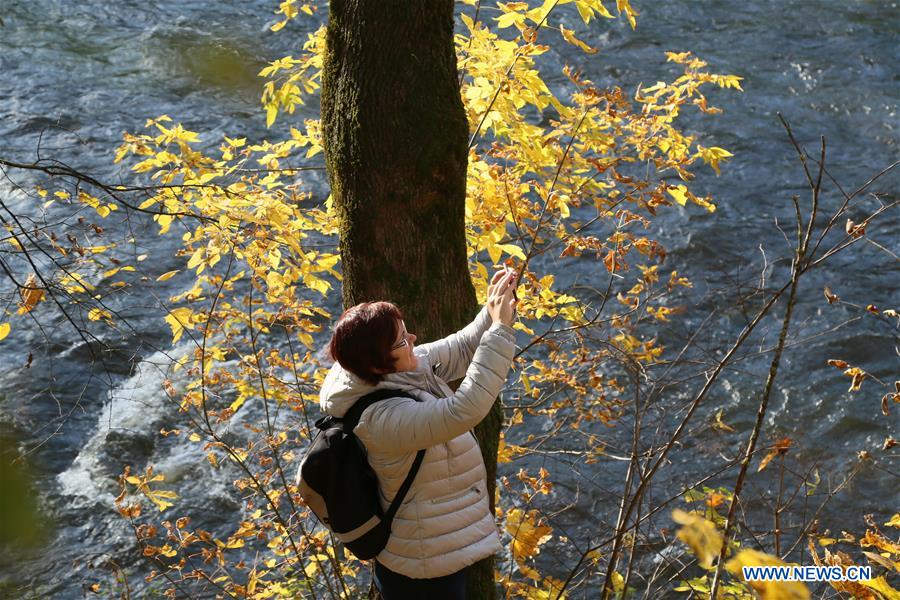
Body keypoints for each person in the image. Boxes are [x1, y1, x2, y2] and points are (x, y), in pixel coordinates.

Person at [319, 268, 519, 599]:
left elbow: (463, 347)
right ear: (379, 363)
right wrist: (499, 331)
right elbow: (463, 410)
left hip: (436, 546)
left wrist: (494, 307)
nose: (413, 340)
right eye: (402, 340)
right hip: (421, 569)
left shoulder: (390, 371)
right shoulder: (379, 419)